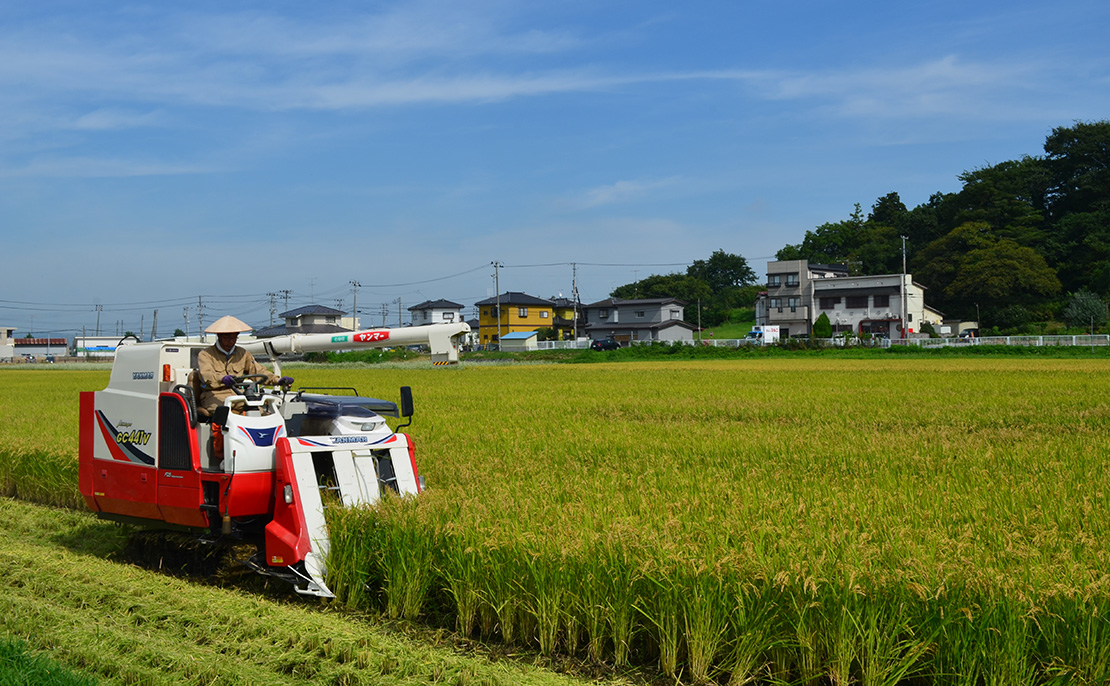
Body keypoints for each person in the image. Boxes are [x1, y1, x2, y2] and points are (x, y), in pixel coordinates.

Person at [196, 315, 292, 418]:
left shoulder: (242, 353)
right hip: (214, 395)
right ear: (219, 336)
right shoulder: (206, 354)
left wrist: (278, 380)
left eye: (234, 338)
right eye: (227, 338)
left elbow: (257, 371)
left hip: (237, 394)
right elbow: (207, 374)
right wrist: (222, 379)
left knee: (257, 411)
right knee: (224, 414)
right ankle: (219, 433)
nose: (231, 341)